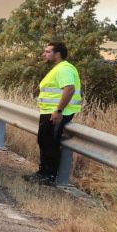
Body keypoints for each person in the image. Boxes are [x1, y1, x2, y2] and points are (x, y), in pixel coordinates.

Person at [29, 40, 81, 186]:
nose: (44, 54)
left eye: (47, 51)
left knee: (50, 143)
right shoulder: (59, 68)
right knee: (44, 141)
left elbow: (69, 89)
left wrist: (58, 110)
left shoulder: (64, 69)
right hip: (50, 112)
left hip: (57, 113)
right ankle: (43, 173)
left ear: (57, 54)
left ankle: (49, 176)